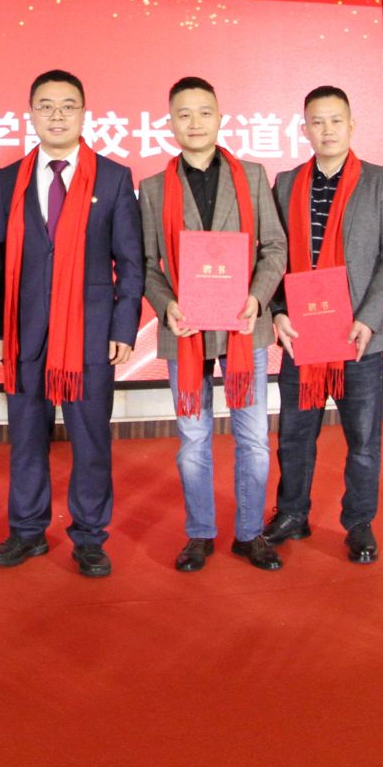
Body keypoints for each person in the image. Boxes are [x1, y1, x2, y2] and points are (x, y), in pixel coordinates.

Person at [0, 69, 143, 578]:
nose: (57, 115)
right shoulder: (10, 177)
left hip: (90, 334)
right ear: (31, 113)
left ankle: (90, 536)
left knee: (90, 441)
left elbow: (131, 262)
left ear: (83, 113)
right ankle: (27, 531)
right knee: (26, 440)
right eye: (46, 106)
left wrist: (123, 328)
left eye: (67, 106)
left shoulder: (113, 177)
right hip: (25, 332)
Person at [138, 77, 287, 572]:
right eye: (184, 114)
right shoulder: (153, 189)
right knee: (193, 440)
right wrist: (166, 306)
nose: (195, 122)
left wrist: (257, 297)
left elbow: (275, 247)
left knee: (253, 439)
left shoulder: (252, 176)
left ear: (220, 117)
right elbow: (147, 264)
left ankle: (249, 533)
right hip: (185, 330)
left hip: (245, 328)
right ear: (170, 123)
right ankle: (200, 533)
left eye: (204, 112)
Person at [264, 85, 383, 564]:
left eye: (335, 120)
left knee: (363, 440)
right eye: (317, 121)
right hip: (303, 337)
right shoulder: (287, 183)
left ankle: (359, 523)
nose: (326, 130)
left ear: (351, 125)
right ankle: (292, 513)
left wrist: (369, 318)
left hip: (358, 338)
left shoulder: (379, 182)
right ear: (304, 128)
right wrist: (278, 310)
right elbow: (273, 253)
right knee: (294, 435)